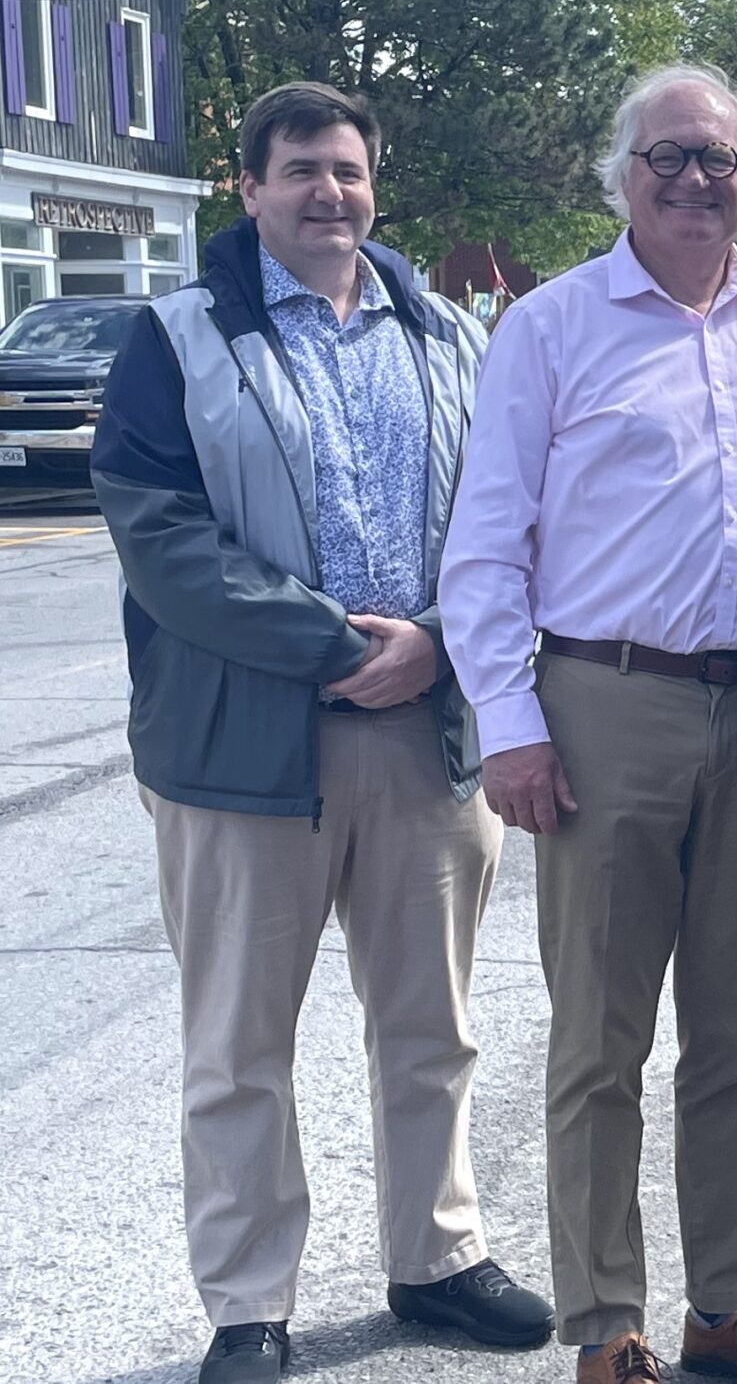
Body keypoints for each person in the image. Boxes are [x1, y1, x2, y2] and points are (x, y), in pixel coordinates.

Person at [89, 80, 553, 1384]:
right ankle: (248, 1302)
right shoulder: (175, 338)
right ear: (250, 189)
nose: (326, 192)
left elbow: (513, 523)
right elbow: (161, 537)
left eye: (346, 169)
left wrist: (441, 646)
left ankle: (438, 1252)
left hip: (425, 734)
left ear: (374, 184)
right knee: (239, 1043)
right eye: (298, 169)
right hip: (243, 751)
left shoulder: (450, 335)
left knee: (433, 1021)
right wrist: (342, 648)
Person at [438, 63, 737, 1384]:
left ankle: (722, 1309)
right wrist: (510, 722)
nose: (691, 179)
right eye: (665, 156)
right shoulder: (549, 330)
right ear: (624, 176)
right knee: (600, 1039)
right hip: (603, 702)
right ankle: (606, 1323)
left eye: (717, 158)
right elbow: (486, 547)